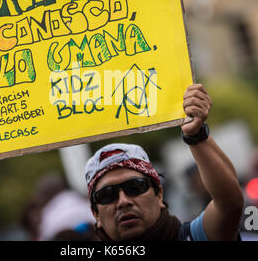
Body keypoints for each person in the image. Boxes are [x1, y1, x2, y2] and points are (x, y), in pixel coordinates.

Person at [84, 84, 244, 241]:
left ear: (159, 194)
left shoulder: (193, 237)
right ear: (95, 213)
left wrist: (195, 134)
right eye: (107, 195)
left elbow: (229, 204)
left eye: (135, 187)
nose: (123, 201)